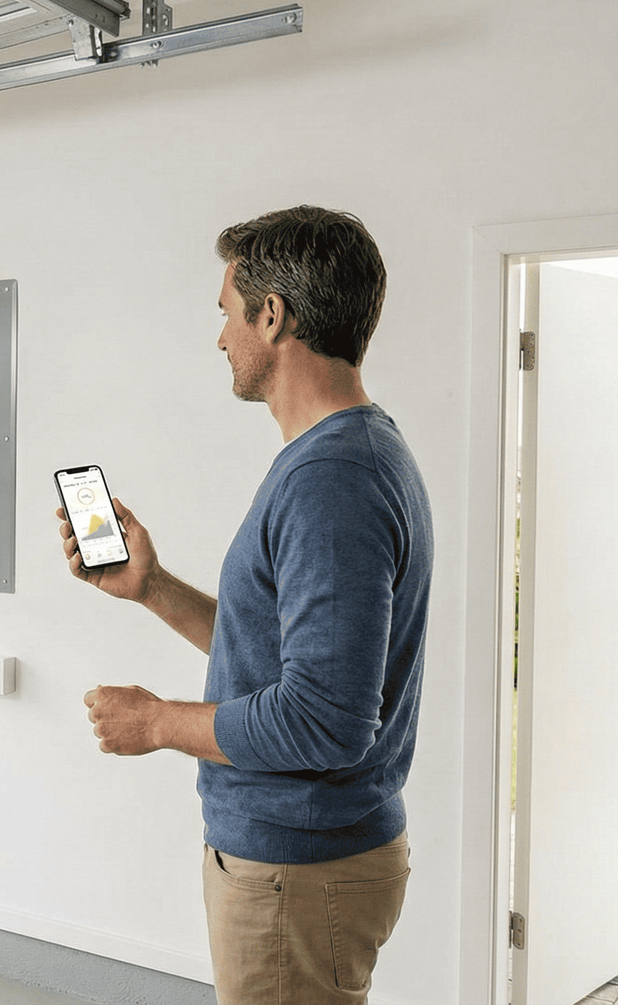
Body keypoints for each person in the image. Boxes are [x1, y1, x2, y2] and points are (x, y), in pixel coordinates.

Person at [57, 206, 432, 1004]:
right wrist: (153, 587)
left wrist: (156, 722)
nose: (219, 336)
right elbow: (284, 657)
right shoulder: (345, 456)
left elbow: (325, 718)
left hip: (299, 870)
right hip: (299, 864)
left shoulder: (334, 479)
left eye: (227, 313)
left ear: (273, 315)